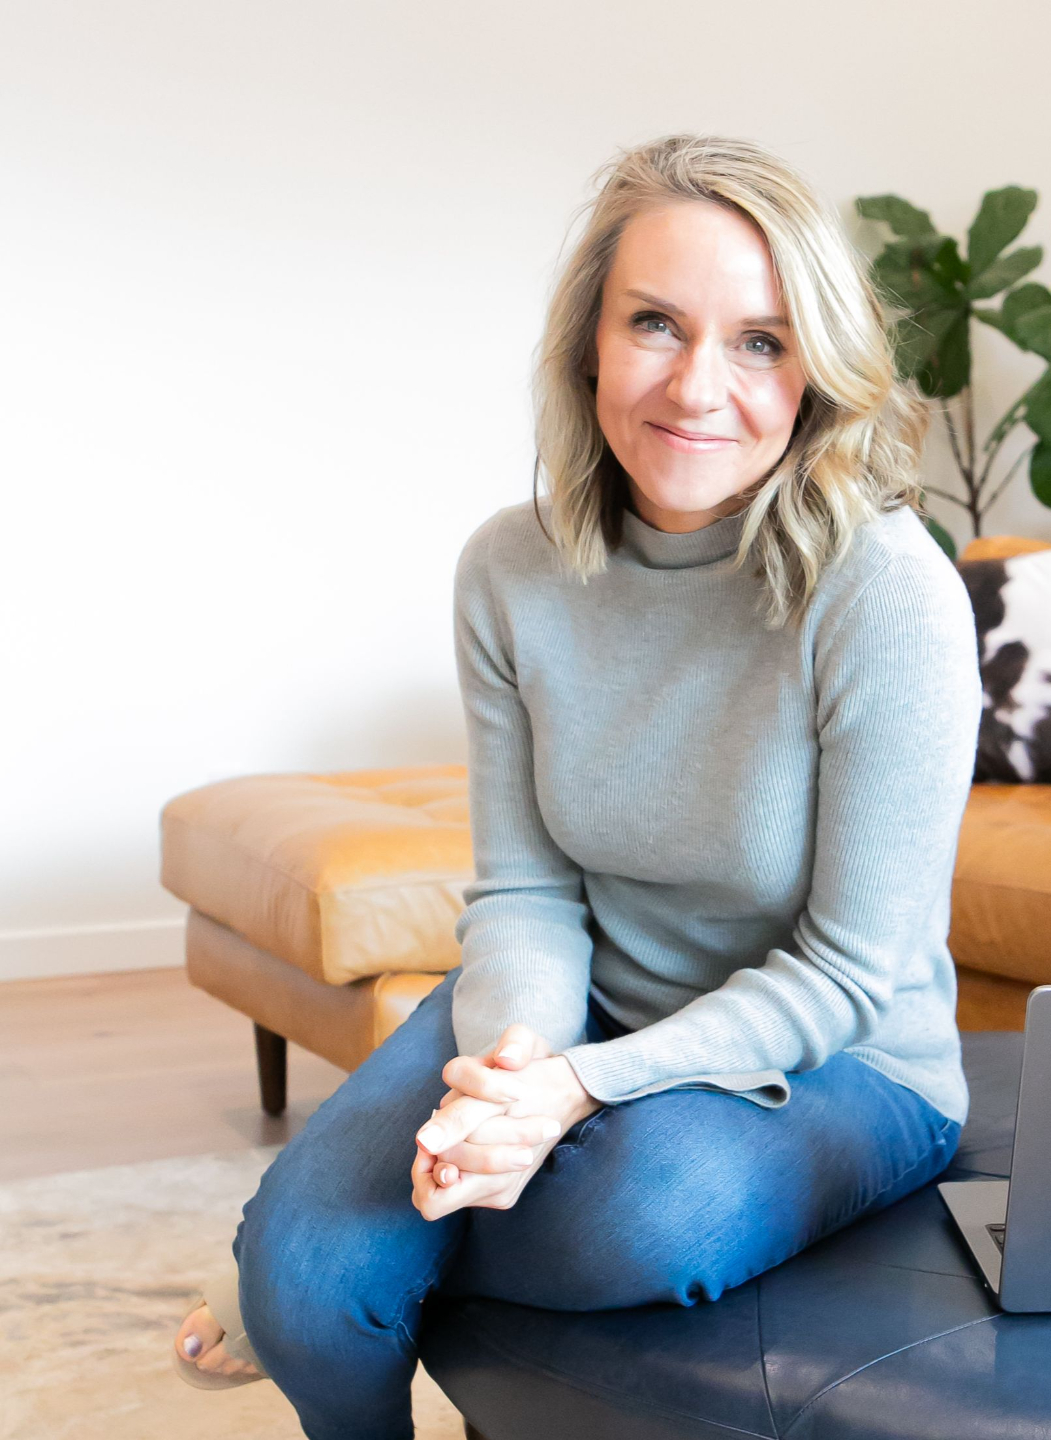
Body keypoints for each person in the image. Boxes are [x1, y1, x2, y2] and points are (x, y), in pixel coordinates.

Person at [170, 131, 982, 1440]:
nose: (698, 386)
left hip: (844, 1061)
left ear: (817, 369)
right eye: (655, 323)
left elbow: (847, 973)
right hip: (581, 1002)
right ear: (589, 342)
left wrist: (581, 1092)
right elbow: (527, 893)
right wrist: (520, 1067)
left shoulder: (886, 591)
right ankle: (308, 1273)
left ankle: (308, 1265)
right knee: (317, 1284)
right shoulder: (511, 568)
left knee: (624, 1220)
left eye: (761, 341)